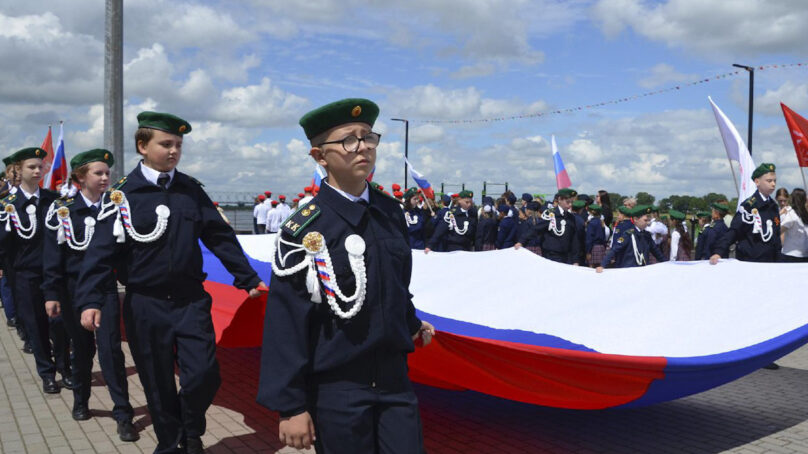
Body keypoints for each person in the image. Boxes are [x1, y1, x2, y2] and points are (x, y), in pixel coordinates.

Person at [75, 111, 267, 454]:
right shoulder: (121, 195)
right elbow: (99, 252)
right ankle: (173, 442)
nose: (174, 150)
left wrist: (247, 277)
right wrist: (89, 299)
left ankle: (189, 426)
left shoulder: (190, 190)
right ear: (142, 146)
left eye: (178, 144)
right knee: (157, 381)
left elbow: (219, 236)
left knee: (205, 374)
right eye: (166, 144)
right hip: (145, 303)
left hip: (191, 299)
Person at [257, 98, 434, 453]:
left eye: (369, 137)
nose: (364, 147)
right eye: (349, 140)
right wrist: (291, 406)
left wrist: (412, 322)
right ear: (320, 157)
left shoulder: (388, 212)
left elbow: (395, 285)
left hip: (394, 381)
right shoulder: (304, 228)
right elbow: (286, 319)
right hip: (338, 387)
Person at [40, 149, 138, 439]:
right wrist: (52, 293)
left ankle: (123, 414)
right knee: (81, 348)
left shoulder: (117, 206)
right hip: (72, 290)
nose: (106, 177)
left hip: (104, 288)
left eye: (108, 172)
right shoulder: (63, 210)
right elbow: (52, 256)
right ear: (80, 177)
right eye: (98, 172)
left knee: (111, 351)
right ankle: (80, 399)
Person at [0, 147, 74, 394]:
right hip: (25, 275)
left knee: (61, 323)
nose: (37, 171)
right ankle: (47, 373)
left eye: (40, 166)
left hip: (54, 274)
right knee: (36, 325)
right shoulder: (7, 205)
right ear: (18, 170)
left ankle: (65, 367)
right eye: (31, 167)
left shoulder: (54, 201)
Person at [710, 163, 781, 264]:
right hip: (750, 261)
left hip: (769, 262)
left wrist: (778, 258)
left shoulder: (773, 206)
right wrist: (719, 252)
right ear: (757, 182)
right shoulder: (749, 206)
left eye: (774, 181)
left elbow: (776, 237)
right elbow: (734, 231)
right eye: (769, 181)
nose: (773, 184)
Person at [516, 188, 580, 265]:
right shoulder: (550, 213)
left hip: (566, 256)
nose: (570, 205)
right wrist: (522, 241)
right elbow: (536, 229)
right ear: (560, 200)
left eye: (571, 202)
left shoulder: (571, 217)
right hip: (552, 255)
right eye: (568, 202)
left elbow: (574, 239)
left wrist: (575, 260)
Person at [597, 205, 665, 271]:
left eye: (648, 220)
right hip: (629, 270)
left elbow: (656, 252)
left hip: (642, 270)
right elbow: (614, 249)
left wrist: (666, 263)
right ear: (635, 219)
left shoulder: (647, 235)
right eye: (645, 220)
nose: (647, 223)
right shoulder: (628, 234)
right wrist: (602, 265)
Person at [780, 188, 808, 262]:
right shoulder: (791, 214)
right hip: (792, 255)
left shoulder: (803, 214)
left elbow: (778, 230)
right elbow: (779, 230)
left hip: (802, 255)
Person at [585, 204, 607, 268]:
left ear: (593, 212)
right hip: (601, 247)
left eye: (590, 211)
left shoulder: (591, 223)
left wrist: (588, 252)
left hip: (593, 248)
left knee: (591, 269)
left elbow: (589, 239)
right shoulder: (601, 223)